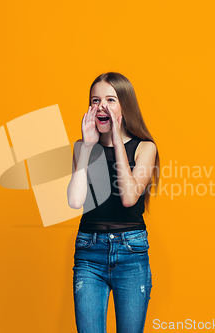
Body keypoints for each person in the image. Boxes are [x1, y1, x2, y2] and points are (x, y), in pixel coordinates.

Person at [67, 72, 160, 333]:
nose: (101, 106)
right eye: (95, 100)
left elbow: (130, 197)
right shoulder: (81, 148)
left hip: (131, 252)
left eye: (110, 99)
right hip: (89, 253)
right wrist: (86, 147)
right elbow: (75, 201)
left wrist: (118, 141)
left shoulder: (145, 148)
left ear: (124, 106)